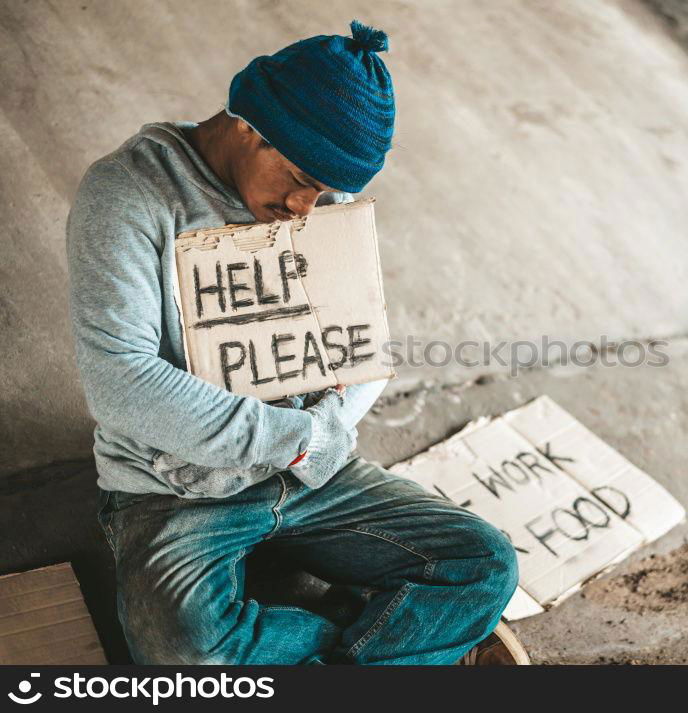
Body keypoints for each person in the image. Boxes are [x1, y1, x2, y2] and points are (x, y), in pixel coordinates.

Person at [65, 20, 528, 665]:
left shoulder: (323, 196)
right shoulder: (130, 196)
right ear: (249, 124)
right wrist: (296, 439)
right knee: (187, 655)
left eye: (328, 189)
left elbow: (363, 343)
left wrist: (328, 426)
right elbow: (120, 382)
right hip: (177, 488)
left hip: (312, 474)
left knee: (483, 563)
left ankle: (324, 659)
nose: (307, 207)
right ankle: (380, 644)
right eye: (298, 177)